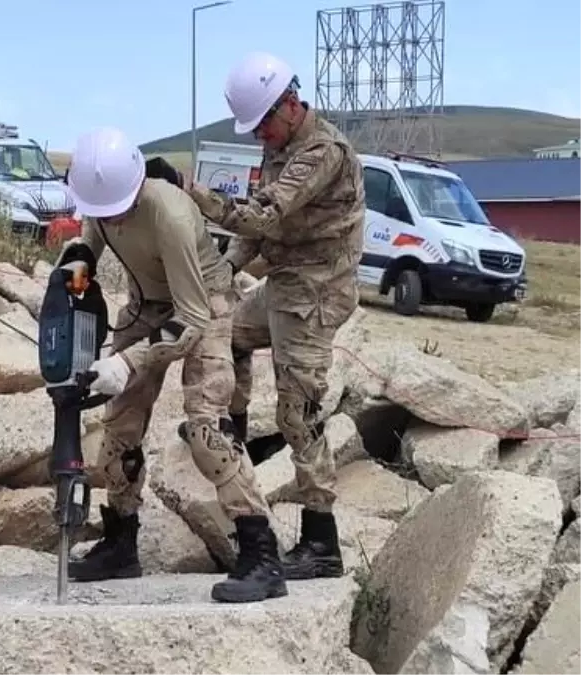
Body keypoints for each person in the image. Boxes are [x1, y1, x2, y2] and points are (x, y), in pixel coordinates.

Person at [161, 51, 366, 581]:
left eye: (262, 126)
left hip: (316, 292)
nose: (258, 138)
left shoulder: (321, 151)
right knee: (228, 334)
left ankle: (322, 540)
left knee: (299, 411)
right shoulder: (283, 143)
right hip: (285, 281)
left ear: (290, 105)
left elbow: (264, 213)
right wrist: (225, 273)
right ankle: (235, 437)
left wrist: (192, 192)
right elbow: (263, 233)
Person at [60, 127, 286, 604]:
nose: (108, 218)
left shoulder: (171, 214)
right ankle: (120, 542)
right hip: (146, 307)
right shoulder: (103, 202)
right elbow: (85, 256)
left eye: (114, 209)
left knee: (207, 428)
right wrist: (70, 290)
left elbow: (190, 322)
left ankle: (261, 555)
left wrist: (125, 361)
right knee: (119, 424)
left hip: (204, 305)